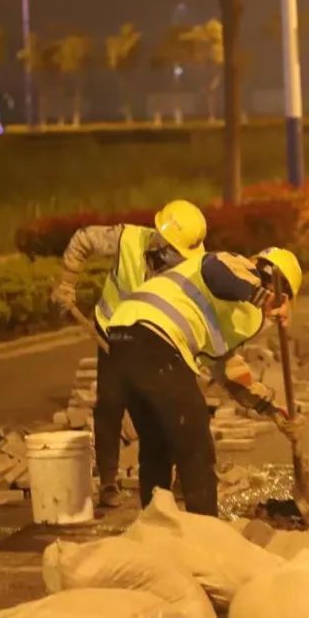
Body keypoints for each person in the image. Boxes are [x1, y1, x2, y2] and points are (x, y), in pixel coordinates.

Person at [103, 247, 304, 516]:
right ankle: (205, 532)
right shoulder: (234, 265)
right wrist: (263, 296)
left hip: (121, 338)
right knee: (195, 444)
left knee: (156, 444)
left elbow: (229, 371)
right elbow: (217, 272)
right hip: (156, 337)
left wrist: (275, 411)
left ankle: (154, 527)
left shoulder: (232, 311)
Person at [51, 200, 207, 508]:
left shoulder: (191, 269)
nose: (177, 258)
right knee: (110, 403)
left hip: (159, 344)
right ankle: (109, 481)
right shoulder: (126, 239)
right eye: (174, 249)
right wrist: (68, 283)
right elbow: (83, 239)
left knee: (167, 408)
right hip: (115, 333)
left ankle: (175, 476)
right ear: (161, 237)